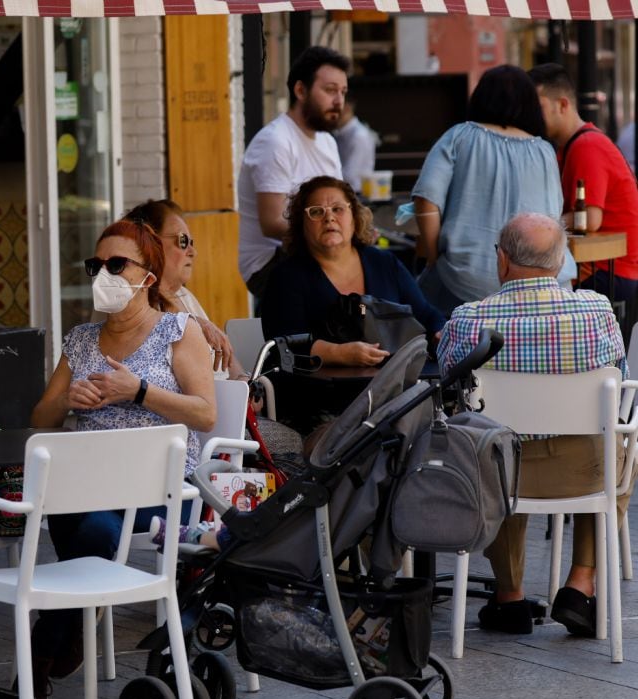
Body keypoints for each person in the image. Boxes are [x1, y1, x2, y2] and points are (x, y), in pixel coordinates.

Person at [28, 218, 215, 699]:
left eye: (116, 264)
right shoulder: (83, 339)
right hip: (89, 484)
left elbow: (206, 411)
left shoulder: (180, 330)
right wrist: (69, 398)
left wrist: (138, 391)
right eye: (96, 265)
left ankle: (45, 649)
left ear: (148, 276)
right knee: (78, 513)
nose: (102, 275)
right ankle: (70, 627)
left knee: (90, 532)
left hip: (162, 491)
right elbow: (41, 419)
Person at [437, 213, 632, 637]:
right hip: (584, 475)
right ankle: (580, 585)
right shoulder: (596, 310)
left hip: (502, 479)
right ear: (561, 260)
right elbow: (616, 375)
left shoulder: (468, 320)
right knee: (612, 442)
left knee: (493, 441)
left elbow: (449, 380)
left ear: (502, 261)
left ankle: (509, 600)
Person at [412, 64, 576, 315]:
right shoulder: (544, 150)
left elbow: (425, 199)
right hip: (543, 284)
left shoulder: (459, 136)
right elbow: (552, 216)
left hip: (466, 280)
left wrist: (434, 257)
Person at [261, 176, 445, 366]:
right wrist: (339, 353)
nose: (329, 217)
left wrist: (439, 334)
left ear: (354, 218)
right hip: (317, 390)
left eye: (338, 209)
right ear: (302, 225)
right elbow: (283, 344)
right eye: (316, 212)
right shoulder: (286, 277)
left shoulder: (384, 263)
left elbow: (426, 315)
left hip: (393, 387)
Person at [530, 63, 638, 341]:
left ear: (562, 104)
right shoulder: (572, 146)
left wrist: (537, 227)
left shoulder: (586, 146)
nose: (531, 114)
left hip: (610, 273)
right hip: (604, 269)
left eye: (537, 105)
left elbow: (589, 219)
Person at [237, 46, 349, 297]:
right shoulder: (275, 141)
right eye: (330, 90)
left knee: (380, 271)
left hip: (316, 252)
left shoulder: (328, 142)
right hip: (271, 262)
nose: (339, 101)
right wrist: (339, 235)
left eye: (343, 92)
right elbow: (273, 222)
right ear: (300, 90)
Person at [121, 199, 248, 379]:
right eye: (182, 241)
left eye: (191, 242)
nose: (192, 252)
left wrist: (243, 381)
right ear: (150, 243)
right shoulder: (127, 300)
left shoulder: (184, 295)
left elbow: (224, 353)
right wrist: (192, 325)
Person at [332, 99, 378, 190]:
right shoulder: (340, 134)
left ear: (347, 108)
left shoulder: (359, 136)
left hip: (355, 193)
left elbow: (350, 175)